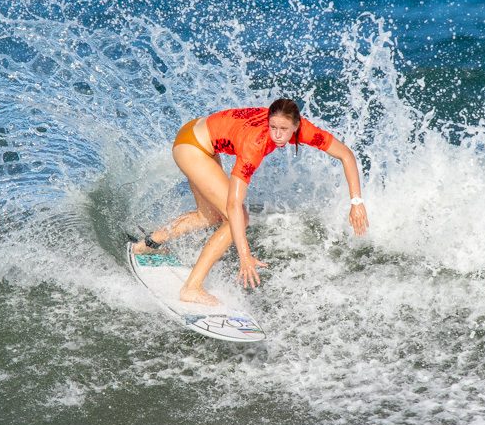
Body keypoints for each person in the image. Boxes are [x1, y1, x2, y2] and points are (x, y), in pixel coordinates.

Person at [130, 98, 369, 305]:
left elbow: (346, 155)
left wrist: (356, 201)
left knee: (209, 216)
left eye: (283, 129)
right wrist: (245, 255)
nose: (277, 134)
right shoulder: (255, 144)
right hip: (192, 148)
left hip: (195, 136)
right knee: (237, 217)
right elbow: (235, 207)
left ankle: (147, 244)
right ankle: (191, 288)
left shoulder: (307, 131)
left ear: (297, 126)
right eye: (273, 126)